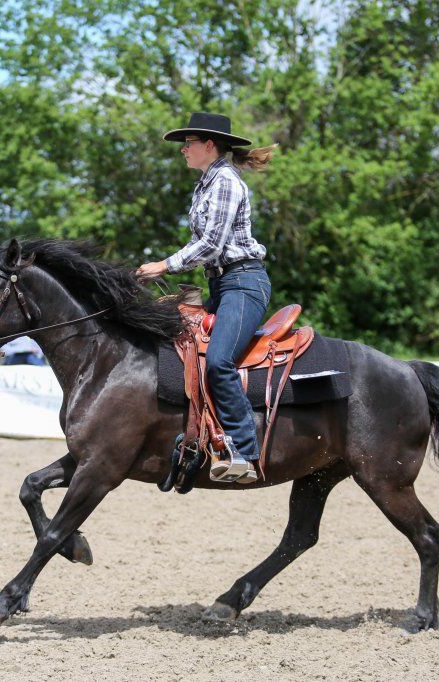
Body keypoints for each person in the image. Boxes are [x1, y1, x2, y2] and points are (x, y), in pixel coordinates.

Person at [136, 112, 275, 484]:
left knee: (218, 361)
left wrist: (163, 265)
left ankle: (245, 452)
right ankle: (194, 442)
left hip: (243, 284)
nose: (183, 149)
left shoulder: (225, 181)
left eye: (189, 143)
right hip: (221, 285)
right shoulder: (205, 183)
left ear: (209, 145)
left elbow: (212, 245)